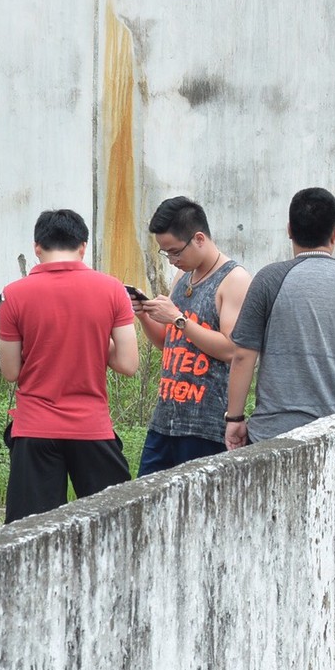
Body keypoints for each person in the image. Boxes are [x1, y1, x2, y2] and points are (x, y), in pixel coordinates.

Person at [0, 209, 137, 523]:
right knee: (114, 526)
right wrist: (94, 336)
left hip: (34, 428)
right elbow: (128, 364)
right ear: (83, 246)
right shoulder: (112, 289)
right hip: (91, 427)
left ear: (37, 247)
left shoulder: (13, 295)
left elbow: (10, 372)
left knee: (29, 536)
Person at [225, 187, 335, 447]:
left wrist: (235, 418)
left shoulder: (270, 279)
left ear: (289, 229)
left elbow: (243, 355)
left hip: (274, 437)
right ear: (334, 233)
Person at [134, 196, 249, 475]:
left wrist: (178, 319)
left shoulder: (234, 279)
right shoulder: (183, 278)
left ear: (199, 238)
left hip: (205, 425)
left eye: (175, 252)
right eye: (166, 254)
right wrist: (144, 314)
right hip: (166, 419)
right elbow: (167, 341)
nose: (173, 261)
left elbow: (232, 350)